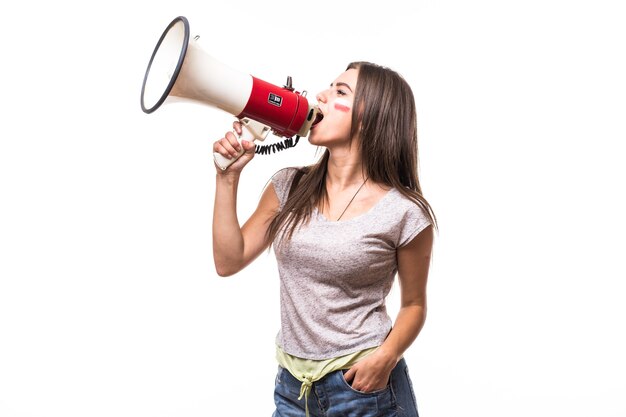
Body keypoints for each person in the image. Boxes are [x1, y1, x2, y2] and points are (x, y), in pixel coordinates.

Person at [212, 61, 436, 417]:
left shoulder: (404, 212)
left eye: (340, 91)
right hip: (292, 389)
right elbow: (229, 260)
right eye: (329, 87)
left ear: (372, 116)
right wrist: (227, 178)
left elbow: (414, 306)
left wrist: (385, 358)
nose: (321, 96)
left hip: (364, 388)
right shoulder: (289, 186)